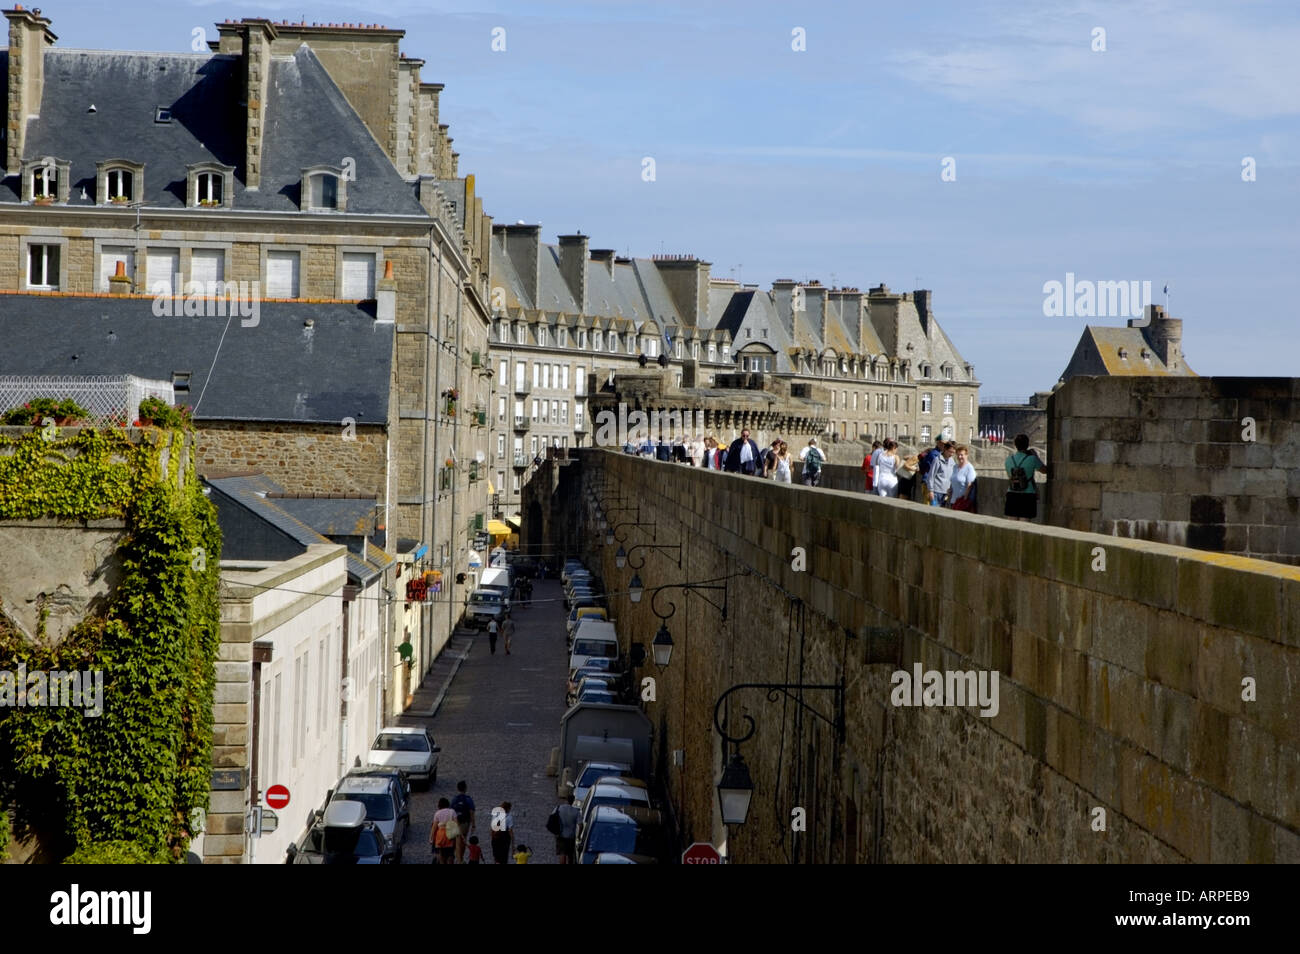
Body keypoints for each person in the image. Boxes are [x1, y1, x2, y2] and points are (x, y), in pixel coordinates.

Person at [1004, 433, 1048, 521]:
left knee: (1011, 524)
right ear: (1027, 445)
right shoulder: (1032, 459)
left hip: (1012, 493)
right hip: (1027, 494)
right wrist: (1035, 456)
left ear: (1015, 445)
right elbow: (1044, 470)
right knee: (1025, 523)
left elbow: (1010, 476)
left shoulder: (1008, 460)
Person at [451, 780, 476, 863]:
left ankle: (457, 858)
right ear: (465, 788)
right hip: (465, 823)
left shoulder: (454, 799)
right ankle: (460, 858)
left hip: (455, 822)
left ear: (457, 788)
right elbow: (471, 812)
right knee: (463, 839)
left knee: (456, 841)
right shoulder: (468, 799)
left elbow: (451, 812)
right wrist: (473, 824)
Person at [926, 442, 956, 507]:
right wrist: (930, 491)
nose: (951, 454)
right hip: (936, 491)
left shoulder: (952, 461)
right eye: (950, 452)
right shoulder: (937, 460)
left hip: (947, 493)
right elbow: (931, 476)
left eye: (953, 452)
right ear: (945, 449)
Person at [554, 794, 581, 864]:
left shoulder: (559, 808)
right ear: (573, 801)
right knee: (570, 855)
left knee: (562, 853)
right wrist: (579, 834)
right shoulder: (576, 811)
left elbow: (553, 817)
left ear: (566, 800)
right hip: (571, 836)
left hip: (560, 834)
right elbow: (580, 824)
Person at [950, 444, 978, 511]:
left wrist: (964, 499)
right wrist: (950, 489)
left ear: (966, 455)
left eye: (962, 455)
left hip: (962, 503)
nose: (959, 457)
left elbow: (970, 485)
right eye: (958, 455)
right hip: (953, 501)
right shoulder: (955, 467)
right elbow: (953, 480)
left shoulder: (969, 468)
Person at [431, 797, 457, 864]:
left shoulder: (437, 813)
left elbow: (434, 827)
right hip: (450, 834)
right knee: (450, 853)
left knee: (440, 854)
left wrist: (431, 837)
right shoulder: (452, 812)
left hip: (440, 835)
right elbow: (456, 824)